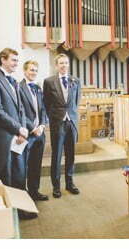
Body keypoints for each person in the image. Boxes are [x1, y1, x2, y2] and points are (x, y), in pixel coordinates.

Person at [0, 48, 31, 218]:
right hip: (3, 137)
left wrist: (22, 131)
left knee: (19, 174)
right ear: (2, 60)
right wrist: (18, 128)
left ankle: (20, 209)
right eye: (13, 60)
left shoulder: (15, 82)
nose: (16, 64)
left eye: (17, 61)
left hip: (17, 138)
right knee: (6, 176)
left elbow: (21, 110)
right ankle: (7, 215)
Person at [43, 53, 81, 199]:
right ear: (56, 65)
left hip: (71, 122)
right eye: (61, 63)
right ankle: (56, 186)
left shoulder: (75, 81)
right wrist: (54, 117)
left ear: (68, 64)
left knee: (71, 155)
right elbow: (46, 103)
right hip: (57, 123)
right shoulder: (49, 82)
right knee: (57, 155)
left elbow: (76, 101)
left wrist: (71, 115)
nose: (64, 65)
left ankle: (70, 183)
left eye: (66, 63)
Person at [18, 60, 48, 202]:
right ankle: (23, 195)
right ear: (25, 71)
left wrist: (42, 125)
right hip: (27, 134)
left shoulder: (38, 88)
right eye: (31, 70)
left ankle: (34, 191)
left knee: (36, 165)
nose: (34, 72)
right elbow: (20, 111)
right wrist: (33, 128)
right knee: (23, 166)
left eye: (36, 70)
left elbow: (43, 109)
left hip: (40, 134)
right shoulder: (19, 87)